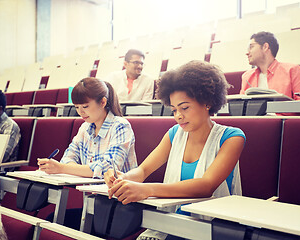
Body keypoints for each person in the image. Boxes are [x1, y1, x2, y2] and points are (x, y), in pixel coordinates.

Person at [104, 61, 246, 240]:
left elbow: (206, 186)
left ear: (207, 102)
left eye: (185, 108)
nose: (178, 115)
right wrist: (122, 178)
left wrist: (147, 190)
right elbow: (143, 170)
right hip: (172, 225)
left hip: (212, 229)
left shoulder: (232, 137)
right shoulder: (174, 134)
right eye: (174, 110)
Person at [38, 77, 138, 179]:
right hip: (91, 190)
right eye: (77, 107)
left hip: (120, 192)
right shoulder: (85, 127)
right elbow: (67, 158)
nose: (80, 112)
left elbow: (108, 169)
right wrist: (67, 167)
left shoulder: (120, 126)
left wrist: (63, 168)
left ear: (103, 102)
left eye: (85, 106)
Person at [240, 31, 300, 100]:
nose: (247, 53)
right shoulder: (246, 76)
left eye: (251, 47)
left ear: (265, 47)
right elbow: (241, 104)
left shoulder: (292, 70)